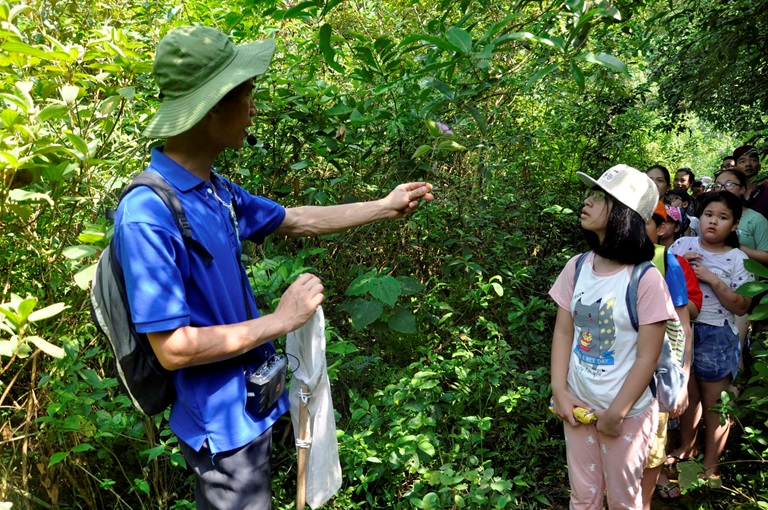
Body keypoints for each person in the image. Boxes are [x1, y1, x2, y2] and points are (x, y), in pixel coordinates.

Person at [114, 26, 434, 509]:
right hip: (221, 429)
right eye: (247, 95)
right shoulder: (148, 214)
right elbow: (173, 348)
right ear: (213, 106)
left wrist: (384, 206)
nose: (253, 110)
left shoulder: (215, 190)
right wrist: (282, 321)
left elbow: (297, 219)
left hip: (250, 410)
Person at [549, 164, 674, 509]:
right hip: (578, 404)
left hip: (627, 413)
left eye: (601, 197)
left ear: (624, 214)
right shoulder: (577, 267)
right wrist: (560, 391)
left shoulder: (646, 280)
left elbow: (648, 356)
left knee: (623, 500)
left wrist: (617, 413)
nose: (587, 201)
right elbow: (564, 331)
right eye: (591, 194)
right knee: (583, 496)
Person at [668, 192, 754, 479]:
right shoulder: (682, 245)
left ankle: (711, 465)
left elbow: (742, 307)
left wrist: (711, 278)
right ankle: (687, 447)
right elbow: (660, 280)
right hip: (681, 329)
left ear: (734, 224)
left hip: (716, 333)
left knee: (715, 403)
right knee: (687, 394)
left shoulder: (738, 258)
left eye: (723, 217)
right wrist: (679, 263)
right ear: (700, 216)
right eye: (708, 214)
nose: (713, 221)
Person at [640, 202, 693, 507]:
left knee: (653, 444)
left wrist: (682, 381)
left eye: (643, 221)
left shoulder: (667, 263)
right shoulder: (602, 261)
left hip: (656, 375)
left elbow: (682, 328)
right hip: (613, 374)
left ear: (661, 228)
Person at [734, 145, 768, 218]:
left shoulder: (766, 189)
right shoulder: (732, 192)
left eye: (753, 160)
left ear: (759, 166)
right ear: (735, 167)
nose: (748, 164)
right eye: (742, 161)